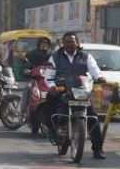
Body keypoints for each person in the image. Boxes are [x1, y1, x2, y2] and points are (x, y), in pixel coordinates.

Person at [44, 31, 107, 159]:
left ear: (77, 43)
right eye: (66, 42)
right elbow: (49, 75)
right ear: (63, 43)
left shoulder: (85, 56)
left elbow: (95, 70)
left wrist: (100, 77)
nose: (69, 44)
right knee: (49, 104)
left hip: (81, 89)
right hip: (63, 89)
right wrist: (51, 87)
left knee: (93, 117)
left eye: (72, 42)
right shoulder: (55, 57)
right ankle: (53, 130)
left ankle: (98, 149)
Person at [19, 37, 52, 115]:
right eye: (43, 43)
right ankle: (23, 111)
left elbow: (57, 66)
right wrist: (26, 71)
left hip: (48, 80)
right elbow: (24, 66)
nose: (45, 44)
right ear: (39, 44)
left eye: (47, 43)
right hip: (34, 79)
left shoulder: (52, 55)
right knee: (28, 88)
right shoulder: (31, 54)